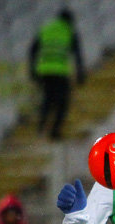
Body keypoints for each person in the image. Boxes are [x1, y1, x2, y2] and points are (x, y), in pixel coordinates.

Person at [29, 8, 86, 140]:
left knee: (48, 100)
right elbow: (77, 55)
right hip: (60, 72)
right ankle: (55, 131)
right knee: (62, 102)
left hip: (45, 71)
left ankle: (41, 126)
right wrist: (80, 73)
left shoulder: (46, 29)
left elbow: (33, 50)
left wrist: (33, 70)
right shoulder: (69, 31)